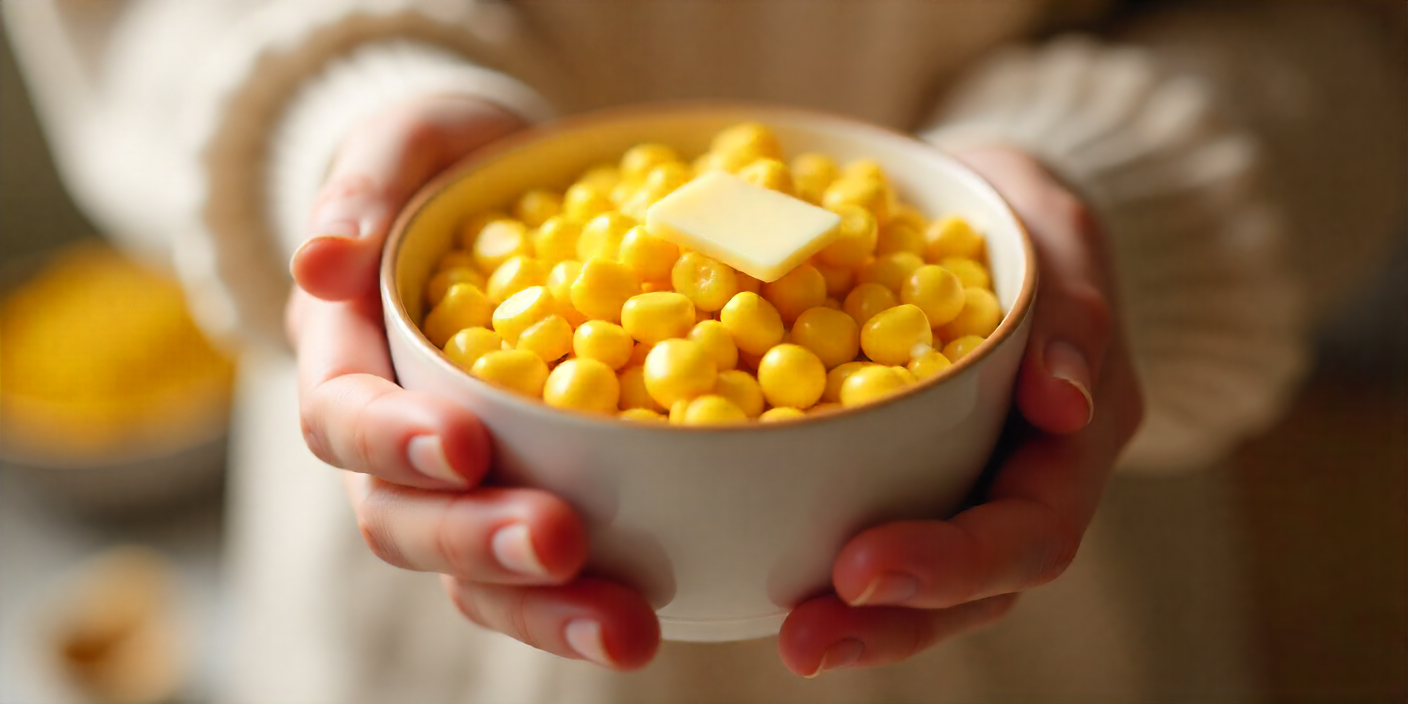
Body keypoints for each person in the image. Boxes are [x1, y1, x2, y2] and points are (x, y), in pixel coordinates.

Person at [5, 2, 1403, 701]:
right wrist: (339, 115)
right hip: (423, 608)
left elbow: (1346, 40)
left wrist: (1112, 206)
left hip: (1043, 576)